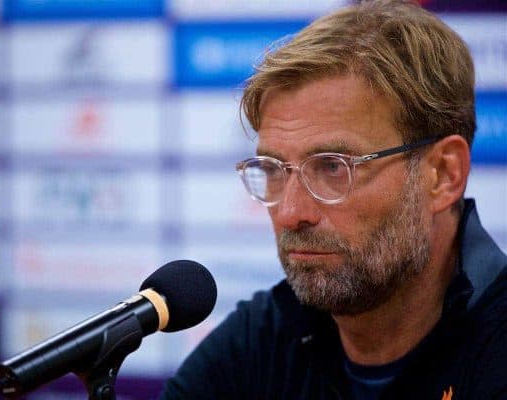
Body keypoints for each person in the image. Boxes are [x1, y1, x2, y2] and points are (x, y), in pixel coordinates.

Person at [160, 1, 507, 399]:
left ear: (443, 174)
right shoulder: (261, 340)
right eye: (273, 169)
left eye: (332, 168)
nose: (290, 213)